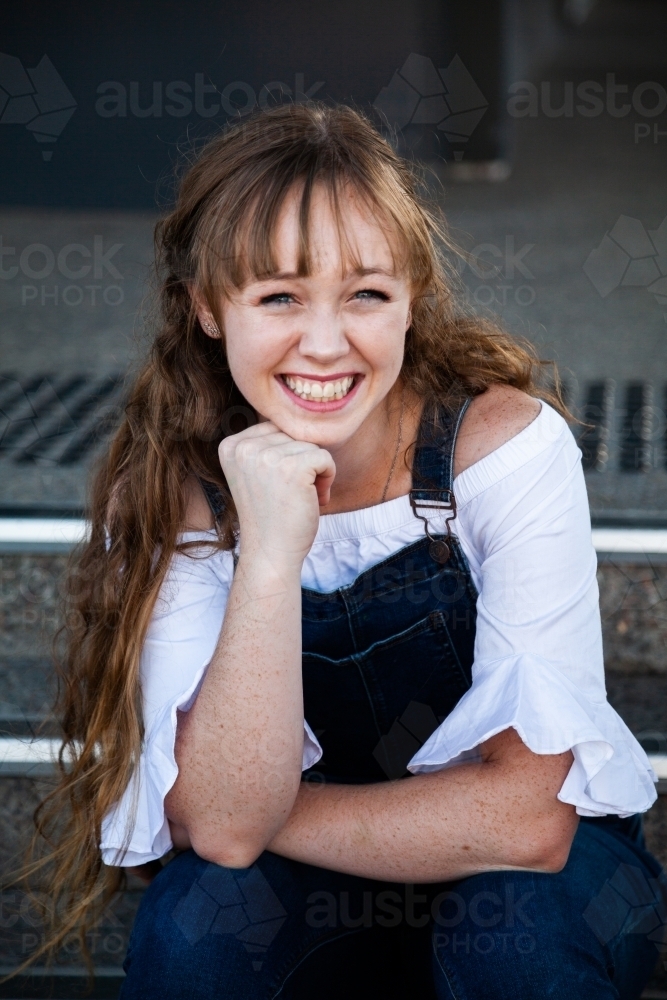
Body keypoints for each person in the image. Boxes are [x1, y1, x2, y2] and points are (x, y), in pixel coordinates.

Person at [29, 103, 663, 998]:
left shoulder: (502, 452)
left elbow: (527, 822)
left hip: (541, 886)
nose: (325, 344)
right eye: (279, 296)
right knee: (194, 934)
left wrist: (257, 817)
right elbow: (221, 831)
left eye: (365, 293)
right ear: (208, 309)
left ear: (410, 299)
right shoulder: (169, 492)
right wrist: (269, 555)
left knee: (508, 944)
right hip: (311, 893)